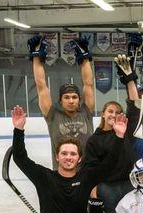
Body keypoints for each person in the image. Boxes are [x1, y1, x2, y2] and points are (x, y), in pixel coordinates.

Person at [11, 105, 125, 213]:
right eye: (64, 153)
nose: (68, 157)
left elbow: (110, 163)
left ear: (79, 158)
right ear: (57, 157)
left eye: (72, 154)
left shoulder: (86, 177)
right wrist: (18, 129)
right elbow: (20, 158)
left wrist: (119, 137)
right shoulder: (45, 177)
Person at [29, 34, 95, 169]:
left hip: (87, 174)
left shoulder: (86, 112)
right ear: (60, 100)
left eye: (74, 97)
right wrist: (36, 57)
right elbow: (41, 85)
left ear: (79, 99)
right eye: (67, 97)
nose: (71, 101)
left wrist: (85, 58)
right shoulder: (53, 116)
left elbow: (88, 84)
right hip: (61, 176)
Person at [83, 101, 135, 213]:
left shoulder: (126, 132)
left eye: (117, 112)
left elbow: (134, 108)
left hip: (129, 183)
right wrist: (93, 190)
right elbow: (91, 168)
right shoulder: (94, 140)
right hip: (108, 186)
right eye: (110, 111)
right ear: (103, 114)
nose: (114, 114)